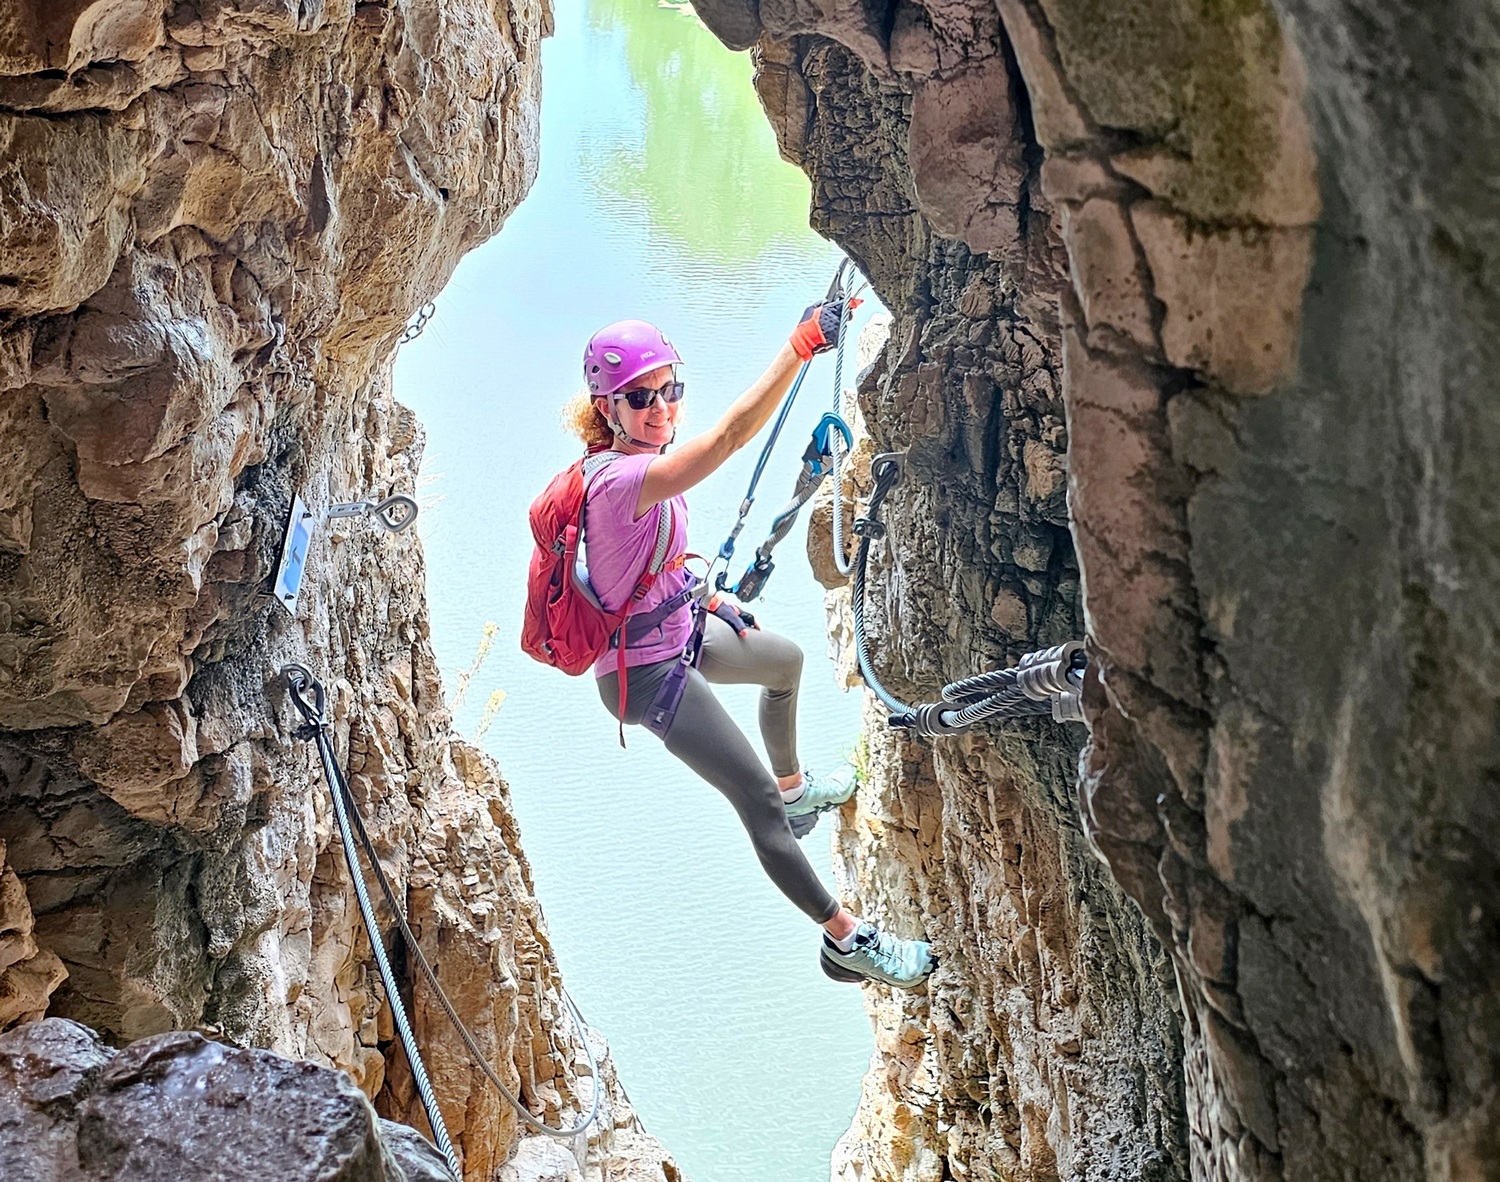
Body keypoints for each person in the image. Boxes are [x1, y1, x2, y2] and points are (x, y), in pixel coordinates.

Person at [560, 305, 933, 988]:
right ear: (607, 408)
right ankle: (846, 939)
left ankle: (797, 789)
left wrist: (703, 597)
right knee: (754, 803)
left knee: (782, 662)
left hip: (679, 631)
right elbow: (732, 436)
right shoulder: (621, 479)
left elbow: (638, 566)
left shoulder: (644, 462)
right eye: (639, 397)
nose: (659, 408)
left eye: (669, 390)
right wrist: (798, 348)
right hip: (645, 677)